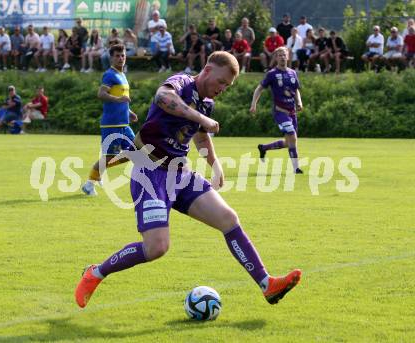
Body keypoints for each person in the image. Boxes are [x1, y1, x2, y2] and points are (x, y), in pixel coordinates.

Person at [75, 50, 302, 309]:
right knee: (157, 247)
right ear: (207, 69)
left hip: (180, 174)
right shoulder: (181, 82)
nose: (223, 89)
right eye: (221, 82)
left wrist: (215, 165)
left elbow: (201, 137)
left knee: (228, 219)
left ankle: (267, 285)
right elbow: (163, 98)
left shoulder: (207, 103)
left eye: (228, 86)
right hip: (150, 173)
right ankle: (95, 273)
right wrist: (200, 117)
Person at [81, 44, 138, 196]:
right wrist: (119, 99)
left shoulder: (123, 75)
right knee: (109, 157)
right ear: (111, 58)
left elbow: (122, 99)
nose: (120, 58)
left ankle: (99, 171)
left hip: (124, 123)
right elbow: (101, 94)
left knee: (136, 152)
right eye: (117, 56)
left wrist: (129, 112)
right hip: (111, 124)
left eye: (123, 55)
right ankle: (89, 184)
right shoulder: (109, 74)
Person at [250, 47, 304, 175]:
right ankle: (296, 168)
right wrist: (253, 104)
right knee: (292, 135)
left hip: (292, 112)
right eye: (279, 55)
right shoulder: (272, 74)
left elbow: (296, 90)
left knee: (288, 142)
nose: (282, 57)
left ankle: (264, 148)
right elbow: (259, 88)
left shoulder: (292, 73)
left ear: (288, 57)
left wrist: (299, 102)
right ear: (275, 58)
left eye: (284, 55)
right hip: (280, 112)